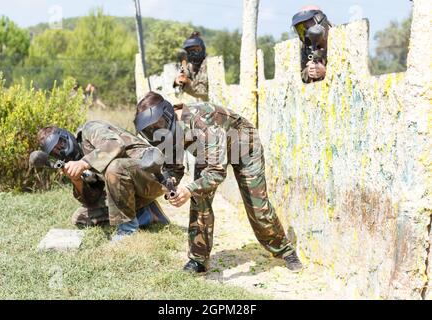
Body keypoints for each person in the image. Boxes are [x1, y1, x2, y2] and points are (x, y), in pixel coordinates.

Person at [134, 92, 304, 273]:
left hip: (245, 148)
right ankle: (198, 260)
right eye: (148, 130)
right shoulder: (167, 132)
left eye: (156, 126)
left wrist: (189, 189)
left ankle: (285, 250)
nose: (154, 132)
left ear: (167, 114)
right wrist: (171, 185)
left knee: (257, 207)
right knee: (199, 201)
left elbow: (216, 172)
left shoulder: (202, 122)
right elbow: (174, 167)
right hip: (207, 155)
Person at [36, 120, 170, 242]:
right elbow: (92, 199)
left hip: (152, 173)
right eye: (54, 152)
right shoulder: (75, 160)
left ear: (65, 136)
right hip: (130, 187)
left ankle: (127, 230)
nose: (60, 152)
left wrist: (83, 164)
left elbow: (115, 144)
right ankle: (146, 213)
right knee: (81, 218)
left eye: (60, 144)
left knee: (115, 168)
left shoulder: (90, 130)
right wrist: (77, 180)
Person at [291, 5, 332, 83]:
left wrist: (325, 72)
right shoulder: (304, 47)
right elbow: (300, 76)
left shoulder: (339, 38)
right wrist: (309, 71)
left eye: (306, 26)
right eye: (300, 29)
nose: (305, 33)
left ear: (319, 20)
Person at [173, 32, 209, 101]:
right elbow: (179, 91)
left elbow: (202, 91)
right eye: (190, 51)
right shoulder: (189, 66)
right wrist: (178, 82)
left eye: (196, 50)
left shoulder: (207, 64)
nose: (193, 53)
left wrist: (187, 83)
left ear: (202, 49)